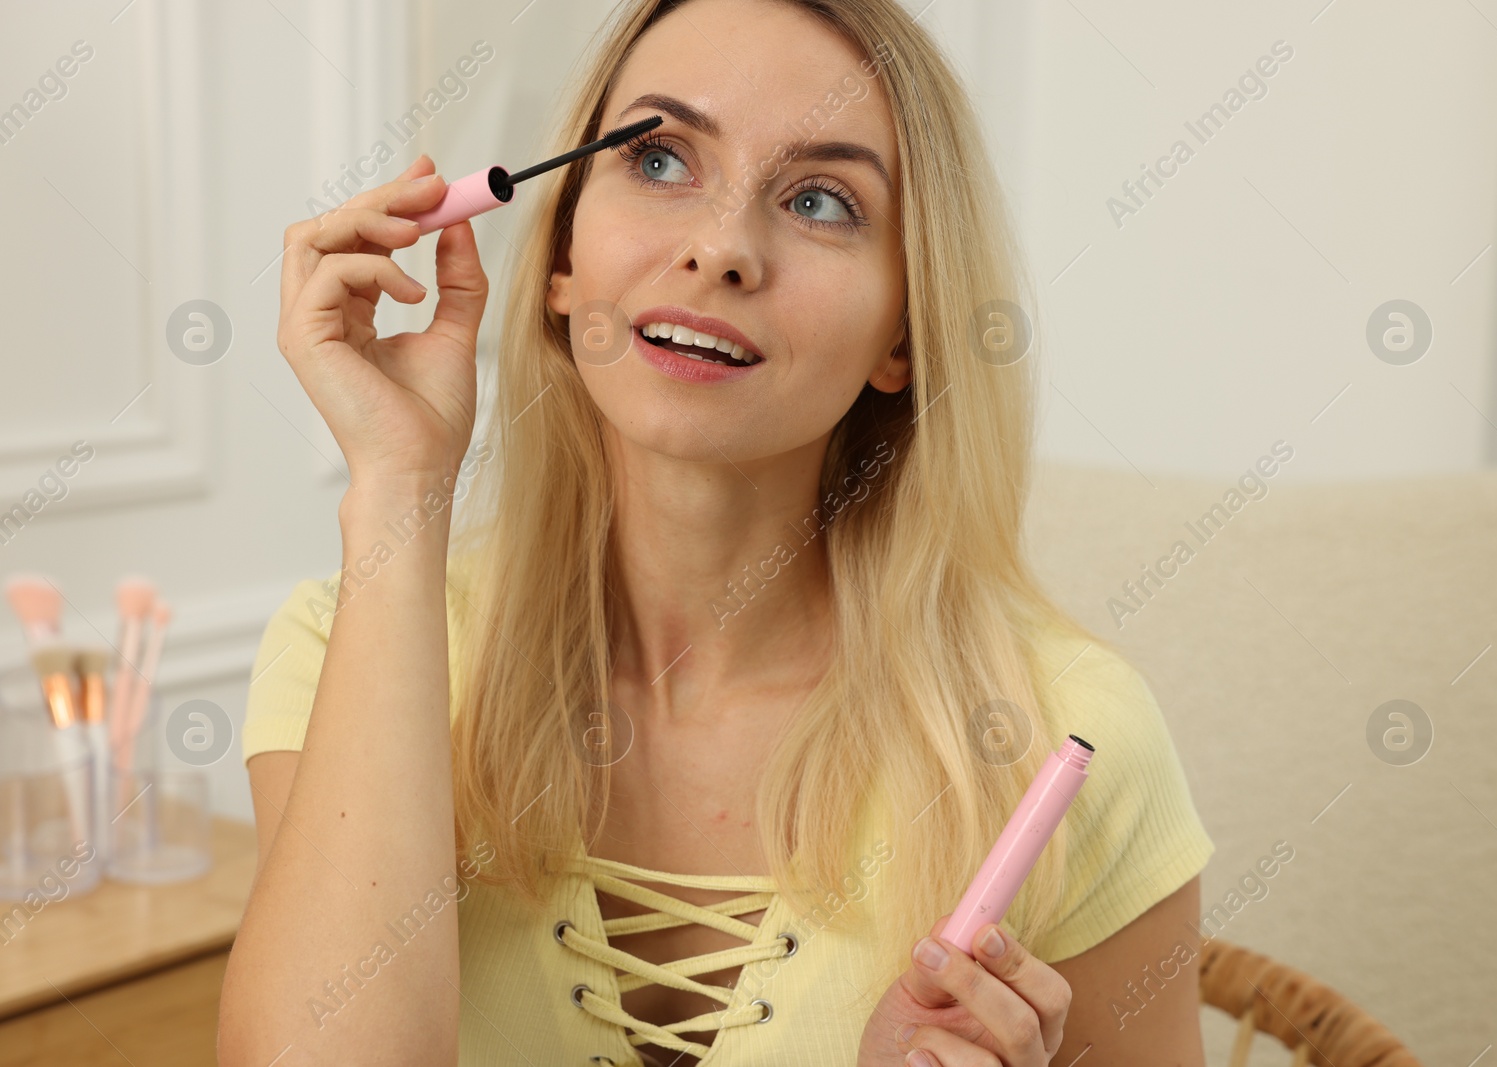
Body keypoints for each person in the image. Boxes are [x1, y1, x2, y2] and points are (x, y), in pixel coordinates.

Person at [217, 0, 1215, 1063]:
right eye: (657, 159)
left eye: (821, 199)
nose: (721, 247)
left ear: (902, 335)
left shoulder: (1061, 735)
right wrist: (400, 486)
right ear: (558, 262)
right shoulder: (344, 647)